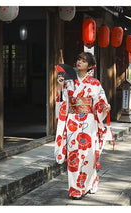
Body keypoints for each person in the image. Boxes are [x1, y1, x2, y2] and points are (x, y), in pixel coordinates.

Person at [54, 52, 111, 199]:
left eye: (84, 61)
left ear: (90, 66)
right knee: (73, 153)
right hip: (72, 120)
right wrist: (61, 87)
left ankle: (90, 182)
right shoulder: (68, 81)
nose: (79, 62)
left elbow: (100, 102)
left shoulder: (95, 83)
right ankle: (75, 188)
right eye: (78, 59)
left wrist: (104, 107)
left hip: (89, 121)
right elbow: (63, 101)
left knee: (88, 155)